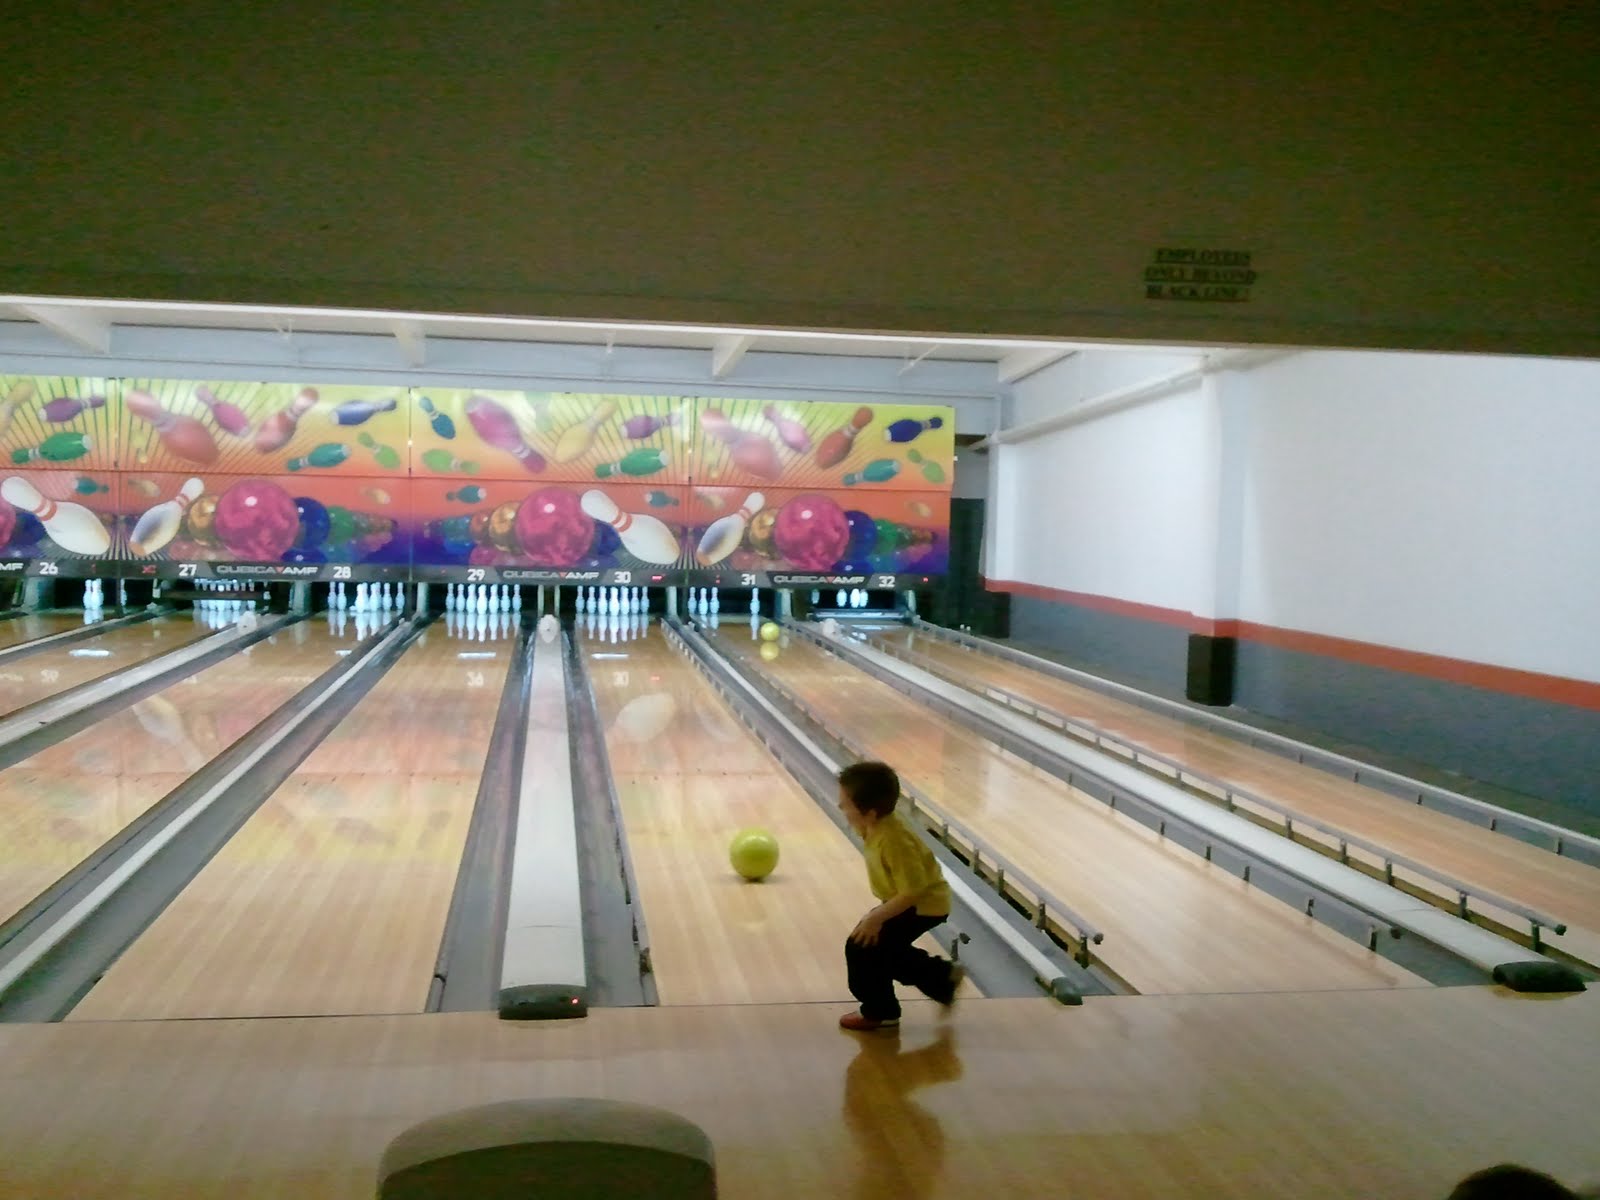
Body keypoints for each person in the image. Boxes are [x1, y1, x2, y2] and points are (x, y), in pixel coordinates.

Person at [836, 760, 963, 1032]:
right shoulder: (874, 825)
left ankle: (880, 1012)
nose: (840, 807)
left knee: (862, 948)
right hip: (911, 901)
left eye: (845, 803)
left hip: (923, 905)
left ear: (870, 813)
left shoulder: (895, 841)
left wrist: (875, 918)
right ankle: (942, 978)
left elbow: (913, 890)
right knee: (883, 951)